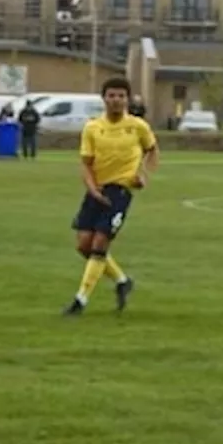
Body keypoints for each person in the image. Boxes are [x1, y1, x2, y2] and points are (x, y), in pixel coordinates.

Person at [63, 77, 158, 315]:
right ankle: (122, 281)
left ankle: (80, 300)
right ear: (104, 98)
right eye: (112, 95)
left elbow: (152, 150)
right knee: (83, 245)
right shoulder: (93, 127)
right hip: (96, 190)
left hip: (120, 192)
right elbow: (85, 163)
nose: (116, 100)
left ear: (127, 99)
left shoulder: (138, 126)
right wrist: (93, 189)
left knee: (99, 244)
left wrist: (143, 174)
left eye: (121, 96)